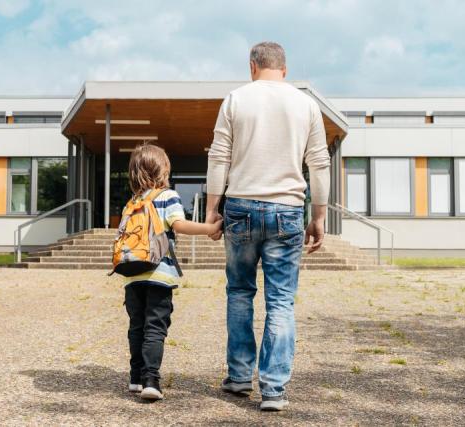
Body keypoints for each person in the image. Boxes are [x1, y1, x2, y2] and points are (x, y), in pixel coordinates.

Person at [205, 41, 330, 411]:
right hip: (288, 209)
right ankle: (274, 389)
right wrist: (318, 216)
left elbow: (218, 158)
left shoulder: (236, 99)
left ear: (252, 66)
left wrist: (213, 209)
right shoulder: (306, 104)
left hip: (241, 206)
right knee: (280, 300)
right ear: (285, 69)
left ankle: (241, 376)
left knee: (240, 292)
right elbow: (319, 164)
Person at [121, 143, 222, 401]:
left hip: (133, 274)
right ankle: (151, 380)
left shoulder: (132, 202)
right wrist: (209, 229)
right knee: (155, 326)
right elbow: (179, 224)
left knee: (137, 326)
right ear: (163, 169)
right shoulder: (167, 196)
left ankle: (135, 377)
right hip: (159, 273)